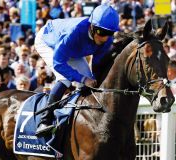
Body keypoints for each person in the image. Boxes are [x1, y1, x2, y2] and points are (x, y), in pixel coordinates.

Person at [34, 4, 120, 137]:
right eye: (101, 33)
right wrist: (83, 79)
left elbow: (96, 63)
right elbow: (58, 63)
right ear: (92, 26)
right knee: (65, 78)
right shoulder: (74, 33)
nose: (104, 38)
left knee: (90, 83)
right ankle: (44, 120)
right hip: (49, 42)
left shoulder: (106, 39)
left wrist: (91, 78)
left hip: (73, 50)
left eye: (109, 33)